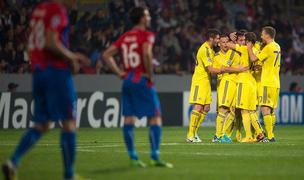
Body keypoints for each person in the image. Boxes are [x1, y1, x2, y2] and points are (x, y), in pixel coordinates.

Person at [2, 0, 89, 179]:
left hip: (39, 72)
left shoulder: (38, 10)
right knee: (69, 123)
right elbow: (51, 41)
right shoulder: (57, 10)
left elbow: (33, 42)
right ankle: (69, 175)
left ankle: (13, 161)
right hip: (56, 73)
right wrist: (72, 57)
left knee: (42, 124)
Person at [102, 7, 173, 168]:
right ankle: (154, 156)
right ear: (141, 18)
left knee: (128, 118)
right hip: (141, 79)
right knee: (155, 117)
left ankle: (133, 157)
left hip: (127, 80)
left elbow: (106, 55)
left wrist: (120, 73)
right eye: (147, 15)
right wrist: (150, 74)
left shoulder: (125, 36)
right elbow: (147, 53)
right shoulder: (147, 35)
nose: (149, 18)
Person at [226, 32, 266, 142]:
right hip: (252, 82)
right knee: (252, 110)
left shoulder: (244, 49)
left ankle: (248, 136)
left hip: (243, 82)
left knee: (244, 111)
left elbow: (228, 45)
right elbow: (259, 66)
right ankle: (260, 132)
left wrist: (231, 38)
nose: (243, 42)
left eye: (245, 40)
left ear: (248, 41)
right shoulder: (257, 51)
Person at [186, 29, 221, 143]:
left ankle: (194, 133)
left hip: (206, 82)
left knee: (206, 108)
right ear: (211, 38)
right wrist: (225, 70)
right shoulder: (205, 49)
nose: (218, 40)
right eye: (217, 38)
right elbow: (210, 69)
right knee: (198, 106)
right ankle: (190, 135)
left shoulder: (210, 49)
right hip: (199, 81)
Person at [247, 26, 281, 142]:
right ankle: (271, 135)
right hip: (276, 82)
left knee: (265, 109)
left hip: (267, 82)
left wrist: (249, 47)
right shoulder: (277, 46)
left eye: (262, 34)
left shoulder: (268, 47)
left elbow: (252, 58)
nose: (261, 36)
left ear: (267, 35)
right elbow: (268, 62)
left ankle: (270, 136)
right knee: (271, 110)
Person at [212, 34, 247, 142]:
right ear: (219, 44)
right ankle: (218, 135)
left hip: (235, 83)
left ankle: (224, 134)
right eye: (223, 42)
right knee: (223, 109)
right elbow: (223, 68)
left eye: (227, 42)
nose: (225, 44)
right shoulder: (222, 55)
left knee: (233, 111)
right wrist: (239, 69)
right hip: (226, 82)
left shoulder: (236, 51)